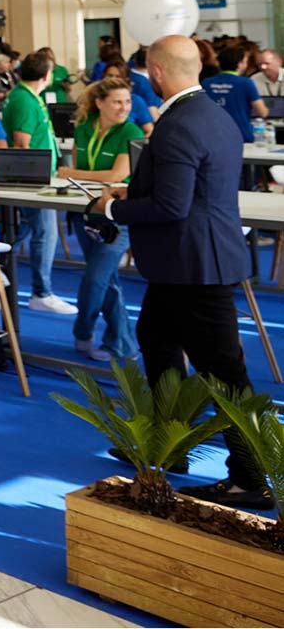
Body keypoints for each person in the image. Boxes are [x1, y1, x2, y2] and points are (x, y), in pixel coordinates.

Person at [94, 35, 271, 508]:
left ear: (154, 72)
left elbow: (172, 205)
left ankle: (251, 478)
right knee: (156, 341)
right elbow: (189, 191)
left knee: (227, 379)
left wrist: (112, 210)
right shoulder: (216, 115)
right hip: (190, 262)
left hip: (194, 267)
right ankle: (168, 449)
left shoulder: (175, 124)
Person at [58, 78, 142, 362]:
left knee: (96, 278)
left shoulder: (130, 130)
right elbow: (80, 166)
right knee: (108, 279)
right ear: (100, 103)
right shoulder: (83, 128)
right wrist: (74, 173)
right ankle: (124, 345)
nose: (124, 108)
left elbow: (116, 175)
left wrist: (71, 173)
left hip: (118, 214)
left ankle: (82, 331)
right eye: (118, 102)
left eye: (127, 101)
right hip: (87, 210)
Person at [0, 53, 71, 314]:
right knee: (45, 233)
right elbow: (22, 143)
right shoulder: (23, 100)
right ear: (46, 75)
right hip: (33, 179)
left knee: (29, 231)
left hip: (40, 175)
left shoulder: (29, 97)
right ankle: (41, 292)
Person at [203, 46, 266, 142]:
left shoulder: (206, 83)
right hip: (240, 134)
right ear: (239, 64)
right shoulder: (245, 83)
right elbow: (262, 112)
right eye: (245, 62)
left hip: (212, 134)